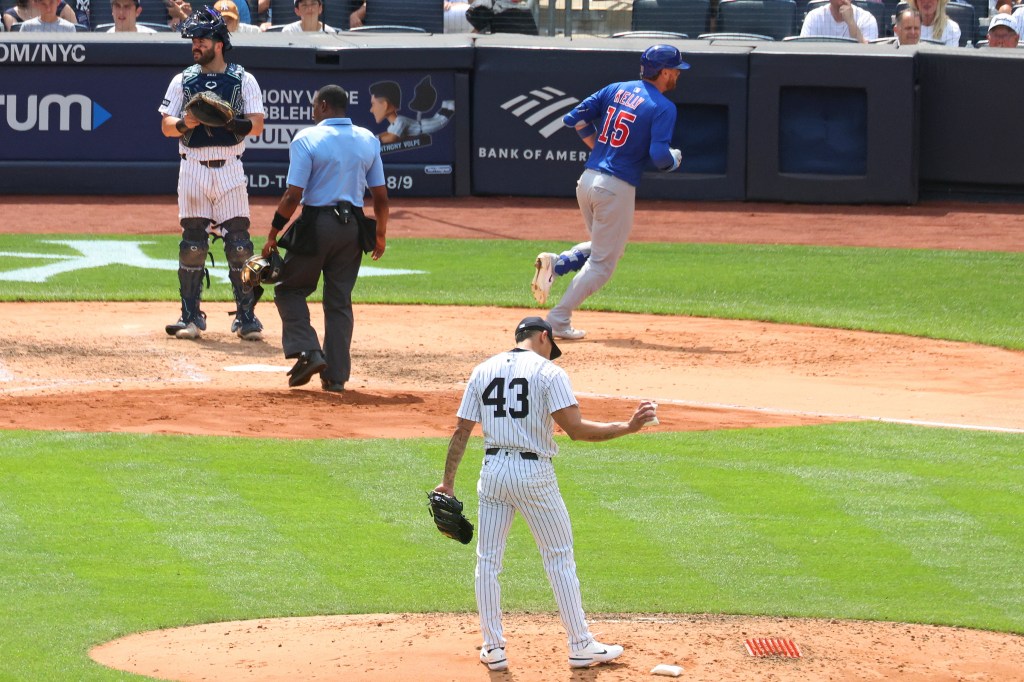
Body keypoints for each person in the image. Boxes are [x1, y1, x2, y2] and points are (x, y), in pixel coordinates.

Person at [434, 315, 658, 672]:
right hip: (533, 473)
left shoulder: (482, 370)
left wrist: (447, 482)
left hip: (492, 471)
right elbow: (577, 430)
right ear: (543, 336)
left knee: (487, 561)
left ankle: (493, 648)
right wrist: (628, 427)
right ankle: (580, 645)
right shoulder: (549, 373)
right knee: (558, 558)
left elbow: (461, 430)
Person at [530, 45, 687, 341]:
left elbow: (574, 119)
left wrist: (598, 147)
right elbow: (660, 157)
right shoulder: (663, 107)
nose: (679, 74)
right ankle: (558, 320)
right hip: (615, 188)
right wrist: (674, 160)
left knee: (606, 248)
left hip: (588, 180)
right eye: (676, 69)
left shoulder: (616, 88)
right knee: (602, 265)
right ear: (664, 71)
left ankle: (558, 263)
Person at [261, 85, 388, 392]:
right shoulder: (368, 139)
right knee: (339, 300)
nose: (312, 112)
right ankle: (336, 377)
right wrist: (381, 234)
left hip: (317, 226)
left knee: (289, 289)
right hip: (352, 229)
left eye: (315, 106)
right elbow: (381, 196)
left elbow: (293, 195)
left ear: (324, 106)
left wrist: (273, 232)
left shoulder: (308, 138)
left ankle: (309, 351)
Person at [158, 7, 266, 340]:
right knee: (192, 244)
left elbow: (257, 126)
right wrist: (185, 122)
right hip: (193, 167)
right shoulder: (183, 80)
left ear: (219, 43)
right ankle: (190, 317)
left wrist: (231, 122)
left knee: (239, 245)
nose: (196, 45)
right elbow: (166, 126)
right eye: (193, 40)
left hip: (230, 167)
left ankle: (246, 317)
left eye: (201, 39)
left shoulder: (243, 79)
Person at [368, 79, 455, 144]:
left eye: (373, 104)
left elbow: (391, 138)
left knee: (440, 120)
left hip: (424, 127)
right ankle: (446, 106)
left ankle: (451, 107)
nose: (371, 110)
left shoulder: (400, 121)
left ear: (385, 105)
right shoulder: (395, 123)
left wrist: (376, 141)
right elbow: (388, 133)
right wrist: (376, 137)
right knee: (438, 117)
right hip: (422, 125)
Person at [799, 0, 878, 42]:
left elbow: (869, 58)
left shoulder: (867, 19)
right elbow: (804, 53)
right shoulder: (814, 17)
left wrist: (851, 23)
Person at [3, 0, 78, 31]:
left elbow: (77, 35)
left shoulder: (63, 7)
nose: (48, 8)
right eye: (43, 4)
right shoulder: (11, 15)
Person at [273, 0, 338, 32]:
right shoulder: (289, 31)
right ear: (297, 11)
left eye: (313, 4)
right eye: (304, 5)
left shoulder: (330, 32)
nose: (309, 8)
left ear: (320, 8)